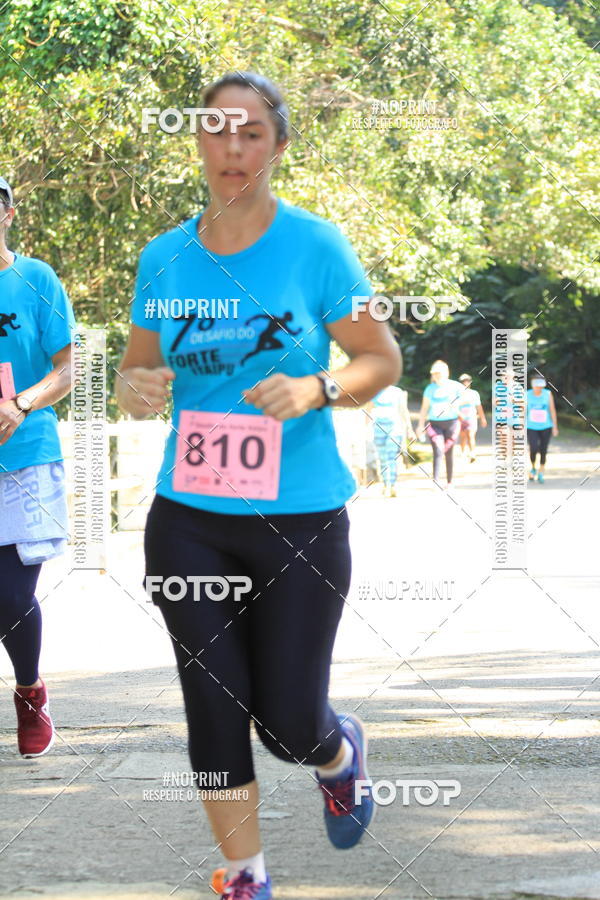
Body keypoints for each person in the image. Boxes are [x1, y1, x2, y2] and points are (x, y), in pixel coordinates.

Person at [116, 73, 401, 899]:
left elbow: (380, 359)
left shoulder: (317, 246)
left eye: (251, 133)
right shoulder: (165, 257)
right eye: (217, 130)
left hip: (300, 519)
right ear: (198, 140)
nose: (232, 149)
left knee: (288, 724)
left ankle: (338, 754)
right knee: (212, 704)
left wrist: (317, 387)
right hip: (189, 519)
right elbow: (135, 371)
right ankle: (245, 876)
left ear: (278, 146)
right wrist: (138, 388)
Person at [0, 177, 75, 757]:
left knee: (9, 594)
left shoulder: (36, 279)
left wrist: (22, 404)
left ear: (8, 214)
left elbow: (70, 367)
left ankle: (30, 692)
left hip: (24, 456)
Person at [416, 360, 462, 489]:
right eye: (435, 373)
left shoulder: (455, 386)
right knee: (438, 450)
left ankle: (449, 482)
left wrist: (457, 406)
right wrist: (420, 425)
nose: (437, 375)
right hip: (434, 424)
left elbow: (469, 399)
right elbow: (424, 408)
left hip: (452, 423)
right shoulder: (430, 389)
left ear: (446, 373)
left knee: (449, 452)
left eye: (439, 373)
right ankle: (436, 481)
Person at [368, 383, 415, 496]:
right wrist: (366, 429)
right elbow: (368, 410)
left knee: (391, 456)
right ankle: (386, 484)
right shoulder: (374, 390)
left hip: (394, 428)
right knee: (382, 458)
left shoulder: (397, 392)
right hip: (378, 428)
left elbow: (404, 411)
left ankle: (392, 485)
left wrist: (410, 429)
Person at [527, 375, 558, 483]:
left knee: (543, 449)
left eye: (540, 385)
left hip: (546, 426)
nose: (538, 387)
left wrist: (555, 426)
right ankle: (533, 467)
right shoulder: (526, 394)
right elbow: (522, 410)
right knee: (533, 448)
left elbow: (552, 410)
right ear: (532, 384)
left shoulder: (548, 394)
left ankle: (541, 470)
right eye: (536, 385)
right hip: (531, 426)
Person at [457, 373, 487, 462]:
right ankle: (463, 452)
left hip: (471, 418)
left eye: (467, 381)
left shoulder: (474, 393)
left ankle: (472, 453)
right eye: (463, 381)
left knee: (471, 435)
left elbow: (479, 407)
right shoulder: (457, 393)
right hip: (460, 418)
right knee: (463, 436)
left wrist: (483, 418)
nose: (465, 383)